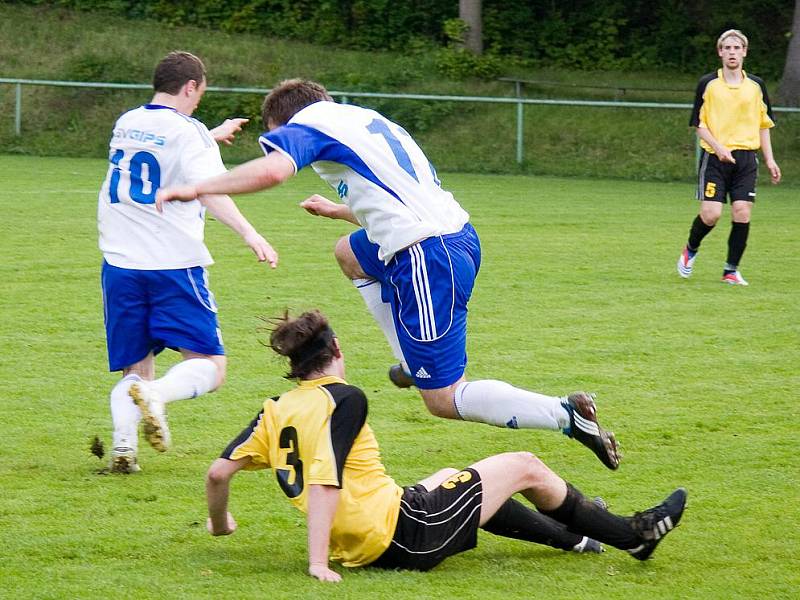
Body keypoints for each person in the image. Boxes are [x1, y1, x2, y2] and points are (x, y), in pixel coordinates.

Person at [156, 79, 620, 470]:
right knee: (349, 254)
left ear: (286, 123)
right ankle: (409, 361)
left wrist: (198, 187)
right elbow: (398, 199)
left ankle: (565, 415)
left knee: (442, 399)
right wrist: (340, 211)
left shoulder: (307, 125)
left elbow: (274, 171)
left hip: (426, 258)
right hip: (452, 236)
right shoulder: (362, 119)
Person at [205, 310, 686, 582]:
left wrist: (221, 519)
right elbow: (327, 481)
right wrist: (314, 564)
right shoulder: (344, 398)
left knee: (454, 478)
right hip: (400, 534)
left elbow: (217, 474)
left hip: (368, 534)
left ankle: (579, 536)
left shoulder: (275, 408)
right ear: (336, 354)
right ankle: (634, 536)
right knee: (525, 465)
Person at [98, 51, 279, 473]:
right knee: (210, 367)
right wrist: (250, 233)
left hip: (120, 263)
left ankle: (124, 450)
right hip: (172, 263)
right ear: (191, 86)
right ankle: (158, 396)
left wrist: (208, 135)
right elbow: (209, 189)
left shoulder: (128, 122)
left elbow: (156, 156)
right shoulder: (189, 132)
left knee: (136, 365)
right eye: (200, 92)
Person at [677, 29, 781, 286]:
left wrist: (769, 159)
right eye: (727, 48)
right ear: (720, 52)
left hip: (746, 160)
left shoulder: (756, 86)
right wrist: (719, 147)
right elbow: (698, 124)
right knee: (711, 214)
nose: (732, 52)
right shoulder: (708, 84)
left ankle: (730, 270)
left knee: (742, 211)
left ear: (744, 52)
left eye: (737, 48)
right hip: (715, 158)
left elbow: (763, 124)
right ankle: (691, 248)